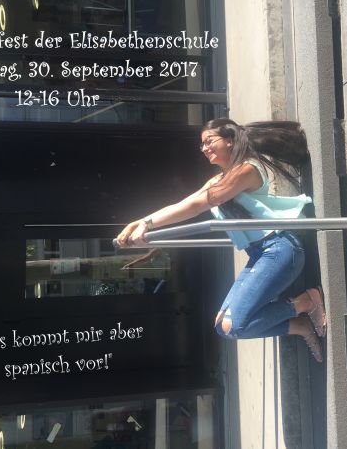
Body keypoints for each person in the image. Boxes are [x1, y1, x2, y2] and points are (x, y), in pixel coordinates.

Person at [116, 118, 327, 362]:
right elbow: (183, 205)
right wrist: (140, 222)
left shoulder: (247, 169)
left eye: (209, 141)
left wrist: (148, 224)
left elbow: (199, 204)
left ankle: (305, 302)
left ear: (229, 140)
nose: (204, 148)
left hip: (279, 249)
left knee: (233, 325)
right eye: (202, 145)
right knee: (222, 326)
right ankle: (299, 325)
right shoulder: (218, 181)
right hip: (260, 254)